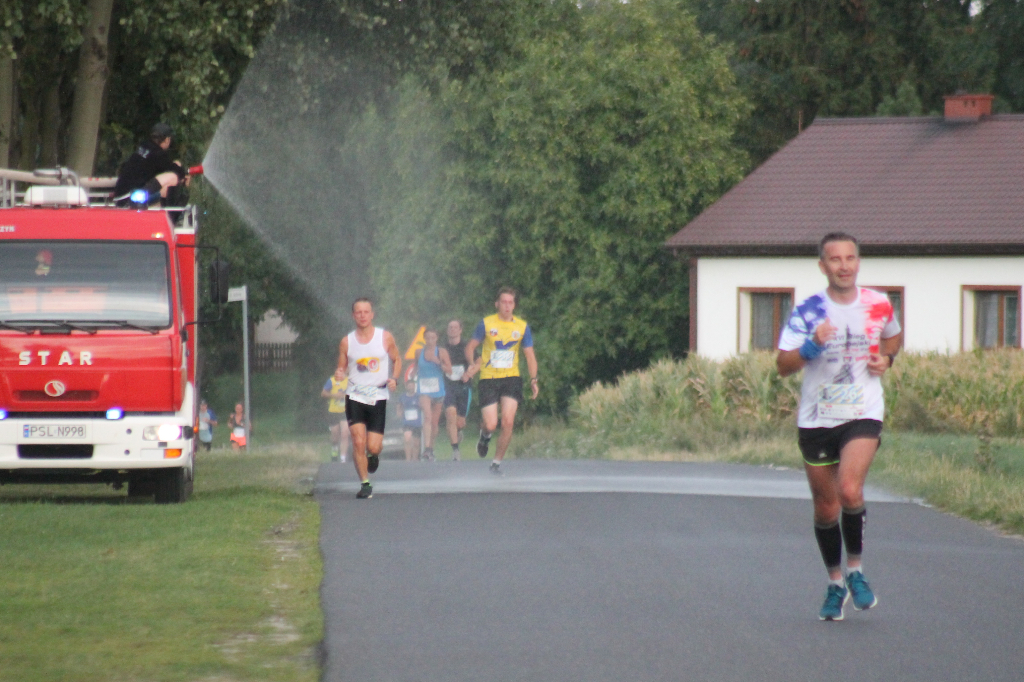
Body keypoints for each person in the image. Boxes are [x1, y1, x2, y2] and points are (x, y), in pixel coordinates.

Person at [776, 232, 903, 621]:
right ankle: (835, 583)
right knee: (825, 506)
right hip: (817, 418)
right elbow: (783, 365)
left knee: (850, 488)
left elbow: (893, 338)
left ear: (858, 262)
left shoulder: (878, 303)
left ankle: (856, 572)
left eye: (850, 258)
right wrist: (811, 346)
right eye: (835, 259)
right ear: (823, 266)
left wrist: (887, 360)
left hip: (863, 410)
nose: (844, 266)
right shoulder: (809, 310)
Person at [464, 287, 538, 475]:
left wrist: (533, 379)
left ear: (514, 305)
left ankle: (496, 463)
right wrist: (472, 364)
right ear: (497, 304)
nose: (506, 306)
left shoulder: (521, 327)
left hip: (511, 378)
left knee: (507, 421)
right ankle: (485, 435)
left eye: (510, 302)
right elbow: (471, 346)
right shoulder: (487, 324)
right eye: (503, 302)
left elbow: (529, 355)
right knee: (491, 424)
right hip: (489, 378)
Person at [337, 298, 402, 499]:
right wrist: (340, 373)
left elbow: (397, 359)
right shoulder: (347, 341)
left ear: (372, 315)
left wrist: (394, 379)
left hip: (378, 396)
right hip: (355, 395)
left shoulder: (385, 337)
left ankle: (373, 456)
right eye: (359, 312)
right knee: (358, 440)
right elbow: (342, 366)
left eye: (366, 312)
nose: (363, 315)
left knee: (373, 446)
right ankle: (365, 483)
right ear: (353, 315)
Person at [113, 123, 189, 206]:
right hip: (130, 200)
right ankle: (171, 214)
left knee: (167, 182)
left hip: (119, 197)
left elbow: (166, 168)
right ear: (167, 140)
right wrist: (185, 175)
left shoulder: (144, 146)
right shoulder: (158, 154)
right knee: (172, 177)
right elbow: (175, 173)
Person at [442, 319, 473, 461]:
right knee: (450, 414)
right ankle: (455, 450)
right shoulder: (442, 349)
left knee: (459, 422)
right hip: (448, 386)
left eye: (455, 327)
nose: (452, 329)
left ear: (460, 330)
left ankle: (457, 431)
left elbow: (477, 363)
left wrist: (469, 373)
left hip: (464, 387)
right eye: (450, 327)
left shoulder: (467, 347)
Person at [416, 328, 448, 462]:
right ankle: (427, 449)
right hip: (424, 389)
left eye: (433, 338)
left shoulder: (441, 352)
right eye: (427, 337)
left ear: (436, 338)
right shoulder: (419, 352)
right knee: (427, 417)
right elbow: (416, 366)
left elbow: (449, 370)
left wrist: (437, 362)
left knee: (434, 423)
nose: (430, 340)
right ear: (424, 339)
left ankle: (431, 448)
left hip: (438, 390)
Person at [321, 370, 350, 462]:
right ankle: (334, 449)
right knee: (335, 433)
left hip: (345, 411)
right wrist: (335, 395)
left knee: (345, 433)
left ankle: (343, 458)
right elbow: (323, 393)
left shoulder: (350, 381)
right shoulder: (332, 380)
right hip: (333, 411)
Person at [398, 380, 423, 461]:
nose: (411, 387)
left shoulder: (418, 396)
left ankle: (414, 459)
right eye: (409, 385)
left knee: (416, 443)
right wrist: (399, 413)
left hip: (417, 423)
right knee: (407, 439)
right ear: (406, 386)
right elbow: (399, 406)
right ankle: (408, 460)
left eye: (413, 386)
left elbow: (423, 407)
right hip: (407, 422)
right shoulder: (402, 397)